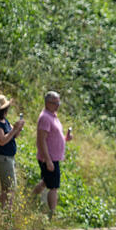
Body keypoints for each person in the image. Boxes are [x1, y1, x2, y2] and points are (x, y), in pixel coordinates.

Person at [34, 91, 73, 219]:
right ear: (47, 103)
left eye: (58, 102)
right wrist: (48, 160)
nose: (58, 105)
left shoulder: (53, 116)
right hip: (49, 158)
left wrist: (65, 138)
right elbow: (41, 139)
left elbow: (53, 136)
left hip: (54, 157)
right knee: (53, 187)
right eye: (55, 103)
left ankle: (30, 198)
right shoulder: (45, 117)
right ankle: (52, 213)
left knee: (46, 182)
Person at [0, 94, 24, 208]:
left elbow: (12, 136)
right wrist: (14, 129)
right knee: (10, 187)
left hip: (7, 158)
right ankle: (6, 212)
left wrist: (18, 128)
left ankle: (5, 212)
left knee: (7, 187)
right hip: (2, 158)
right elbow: (2, 141)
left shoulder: (4, 121)